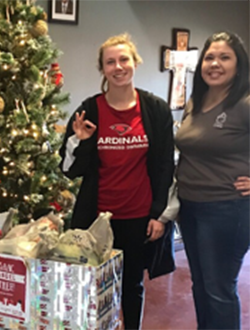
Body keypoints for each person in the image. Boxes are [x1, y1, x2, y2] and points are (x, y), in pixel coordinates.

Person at [59, 33, 174, 330]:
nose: (118, 67)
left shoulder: (155, 109)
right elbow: (69, 168)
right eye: (110, 62)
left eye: (124, 59)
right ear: (103, 69)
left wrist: (159, 214)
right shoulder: (90, 109)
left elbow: (165, 166)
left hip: (138, 216)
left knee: (132, 284)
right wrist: (80, 141)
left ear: (135, 62)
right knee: (90, 284)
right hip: (97, 219)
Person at [176, 31, 250, 330]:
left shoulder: (244, 103)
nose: (215, 64)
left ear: (239, 64)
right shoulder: (197, 99)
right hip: (190, 206)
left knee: (218, 290)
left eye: (224, 57)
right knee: (201, 285)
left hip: (227, 209)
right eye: (209, 57)